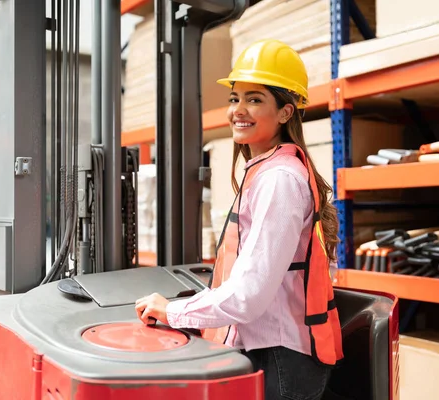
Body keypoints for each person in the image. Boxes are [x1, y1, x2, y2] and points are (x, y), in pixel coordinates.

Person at [135, 39, 344, 400]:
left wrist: (173, 311)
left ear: (286, 112)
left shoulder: (279, 180)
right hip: (273, 354)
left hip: (282, 362)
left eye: (255, 99)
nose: (239, 110)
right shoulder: (266, 171)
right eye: (235, 98)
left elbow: (249, 296)